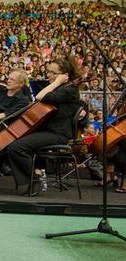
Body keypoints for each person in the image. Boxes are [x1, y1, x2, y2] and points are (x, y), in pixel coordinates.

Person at [7, 55, 83, 195]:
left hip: (58, 134)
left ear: (64, 75)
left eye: (53, 73)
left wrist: (56, 82)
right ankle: (33, 176)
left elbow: (40, 96)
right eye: (48, 72)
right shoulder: (62, 88)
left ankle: (35, 176)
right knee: (12, 143)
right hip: (49, 130)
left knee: (16, 147)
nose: (48, 75)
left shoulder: (68, 90)